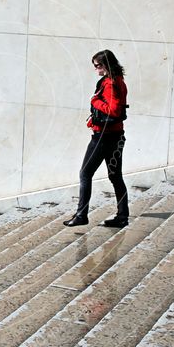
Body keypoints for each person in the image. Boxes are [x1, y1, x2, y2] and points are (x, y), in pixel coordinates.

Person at [63, 50, 130, 228]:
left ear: (107, 65)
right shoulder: (118, 81)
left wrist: (95, 101)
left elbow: (114, 110)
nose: (96, 69)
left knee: (85, 174)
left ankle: (81, 215)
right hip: (116, 135)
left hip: (103, 137)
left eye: (98, 65)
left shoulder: (111, 84)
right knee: (116, 177)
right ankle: (122, 216)